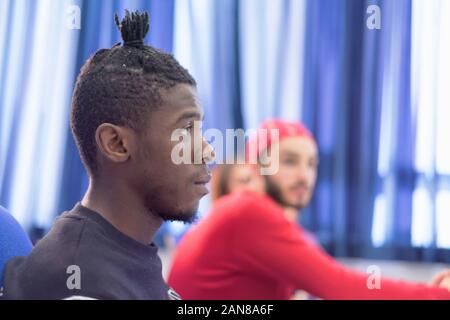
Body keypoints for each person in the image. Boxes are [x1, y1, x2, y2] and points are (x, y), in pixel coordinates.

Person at [1, 10, 213, 300]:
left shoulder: (121, 248)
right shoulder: (81, 285)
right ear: (116, 143)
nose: (208, 150)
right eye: (186, 129)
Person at [168, 119, 450, 300]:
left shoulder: (253, 214)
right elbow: (339, 286)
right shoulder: (248, 211)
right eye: (290, 161)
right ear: (256, 168)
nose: (305, 176)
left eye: (312, 164)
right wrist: (437, 294)